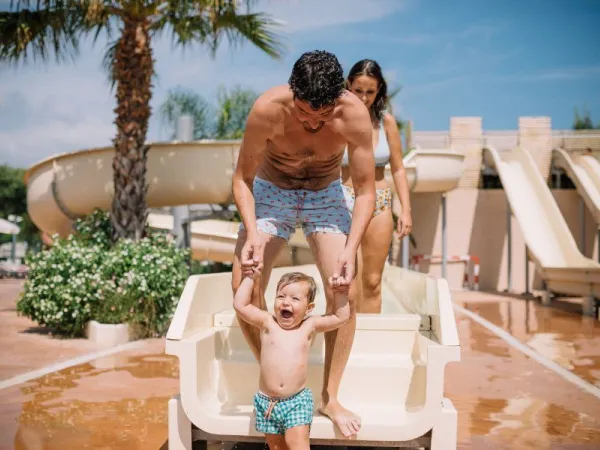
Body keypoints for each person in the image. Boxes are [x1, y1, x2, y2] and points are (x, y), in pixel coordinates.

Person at [231, 49, 376, 437]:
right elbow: (241, 180)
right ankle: (280, 383)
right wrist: (251, 232)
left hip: (326, 193)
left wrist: (349, 250)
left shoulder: (355, 116)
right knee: (243, 278)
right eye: (304, 112)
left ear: (339, 97)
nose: (313, 122)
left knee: (344, 287)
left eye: (322, 114)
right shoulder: (266, 109)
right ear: (293, 92)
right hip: (272, 189)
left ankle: (329, 396)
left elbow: (364, 191)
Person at [234, 269, 350, 449]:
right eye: (281, 296)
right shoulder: (267, 322)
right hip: (267, 403)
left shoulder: (309, 325)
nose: (286, 302)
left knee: (297, 444)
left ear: (308, 308)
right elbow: (240, 305)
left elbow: (340, 317)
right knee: (276, 447)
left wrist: (341, 293)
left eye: (295, 299)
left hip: (296, 401)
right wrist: (250, 278)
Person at [341, 59, 413, 314]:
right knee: (348, 280)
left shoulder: (386, 123)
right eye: (358, 90)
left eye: (370, 92)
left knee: (372, 282)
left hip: (380, 202)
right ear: (348, 85)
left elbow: (398, 168)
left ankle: (370, 343)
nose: (363, 97)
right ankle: (346, 345)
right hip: (344, 201)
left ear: (379, 90)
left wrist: (405, 209)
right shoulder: (335, 120)